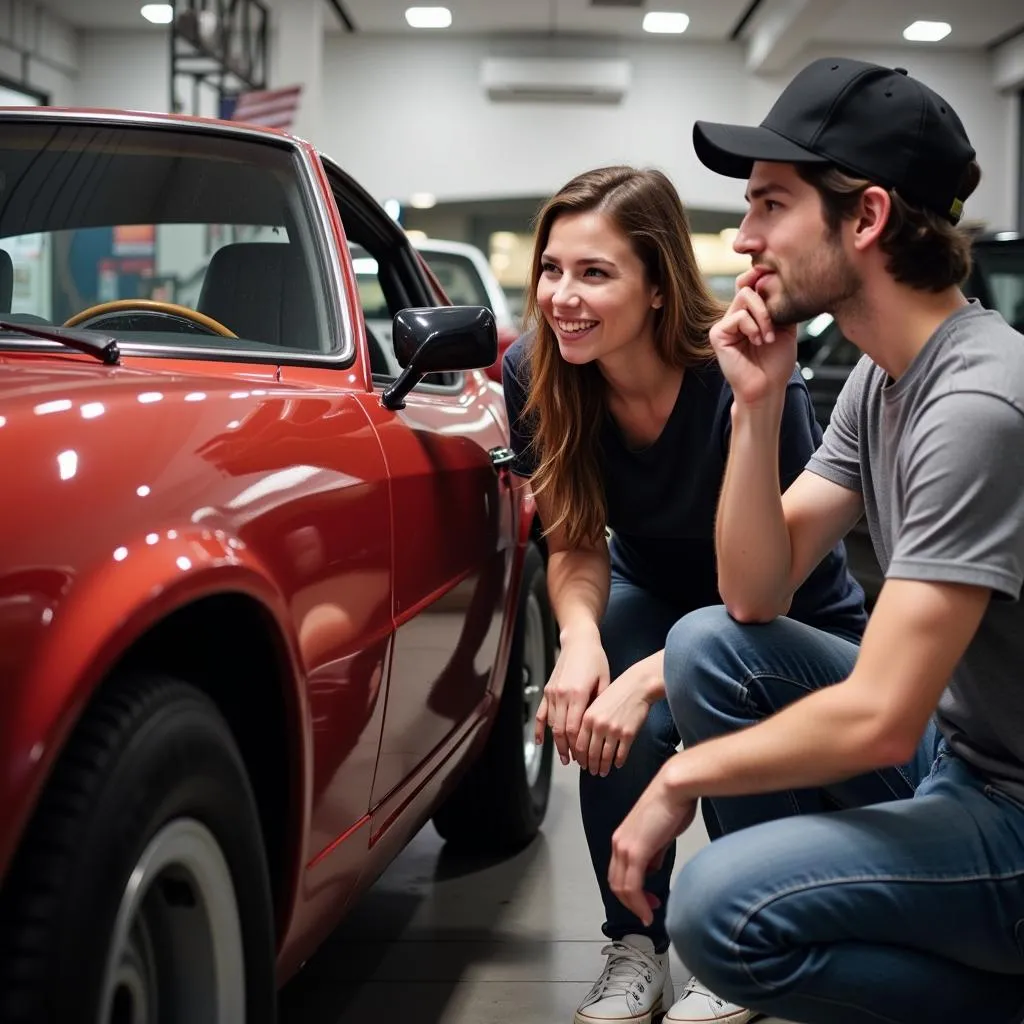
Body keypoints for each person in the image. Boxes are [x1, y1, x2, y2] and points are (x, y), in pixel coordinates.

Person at [607, 57, 1024, 1024]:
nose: (743, 236)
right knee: (707, 647)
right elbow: (754, 597)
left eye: (771, 205)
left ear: (866, 218)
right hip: (967, 753)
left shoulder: (977, 404)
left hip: (1011, 808)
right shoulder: (885, 378)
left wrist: (678, 778)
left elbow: (878, 717)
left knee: (719, 908)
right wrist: (755, 407)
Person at [501, 164, 868, 1024]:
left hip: (782, 608)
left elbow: (763, 589)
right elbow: (579, 544)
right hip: (655, 589)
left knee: (714, 688)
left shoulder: (735, 372)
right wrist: (582, 642)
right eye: (553, 269)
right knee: (600, 692)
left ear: (660, 286)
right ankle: (636, 942)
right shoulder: (537, 372)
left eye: (595, 273)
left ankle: (744, 941)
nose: (563, 297)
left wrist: (652, 674)